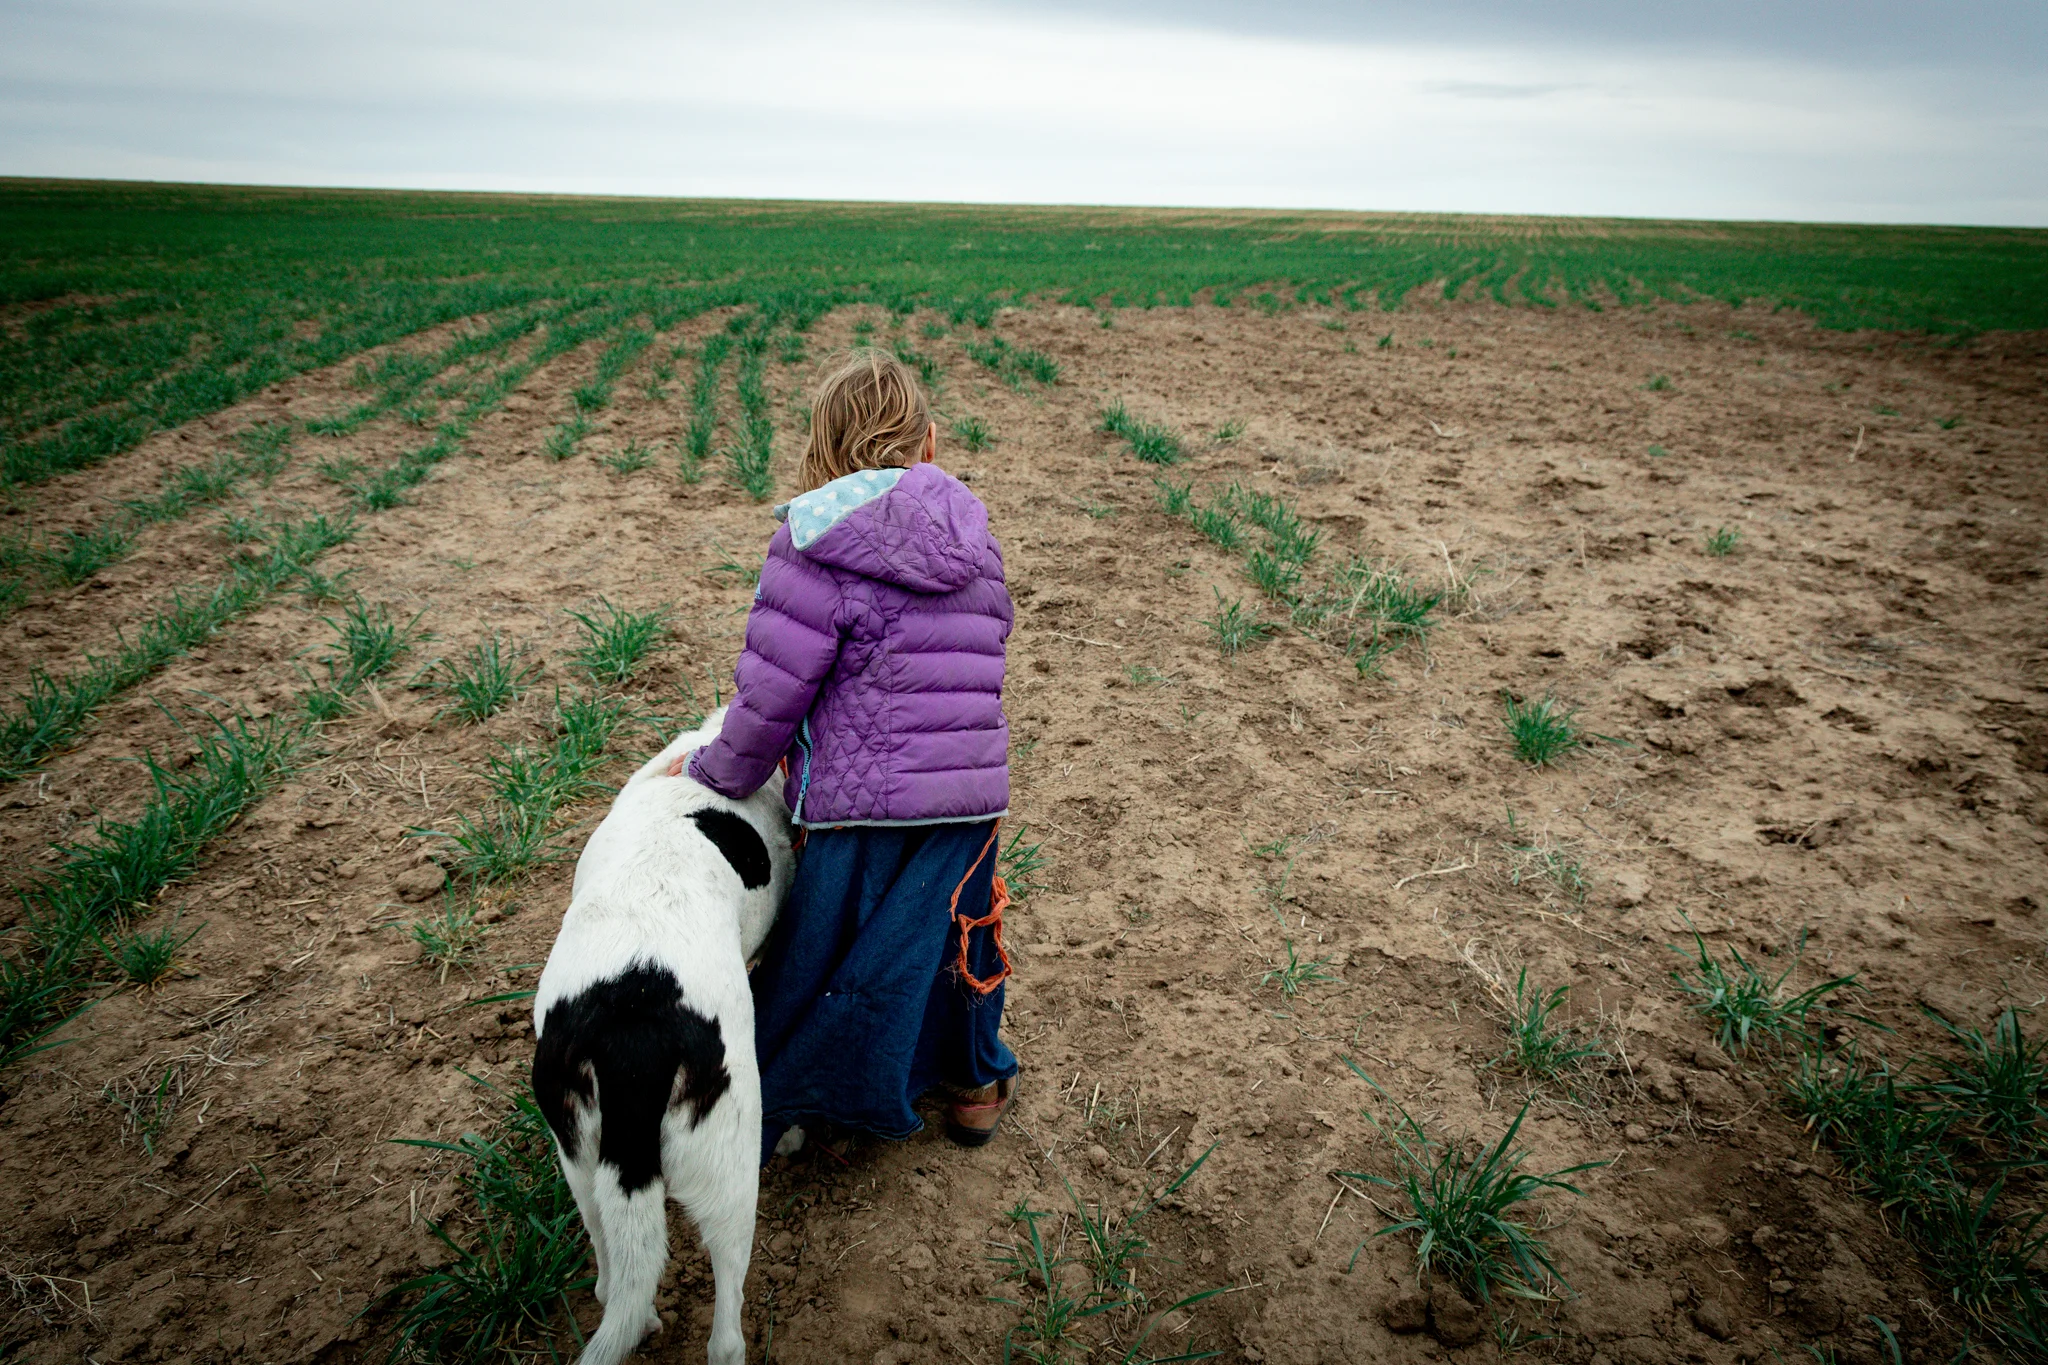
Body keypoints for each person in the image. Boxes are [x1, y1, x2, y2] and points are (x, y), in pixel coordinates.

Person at [675, 347, 1019, 1161]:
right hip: (966, 801)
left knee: (832, 954)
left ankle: (820, 1108)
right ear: (928, 443)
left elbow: (772, 693)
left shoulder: (810, 542)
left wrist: (715, 774)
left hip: (853, 805)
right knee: (954, 936)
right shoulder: (975, 537)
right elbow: (991, 645)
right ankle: (971, 1089)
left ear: (821, 449)